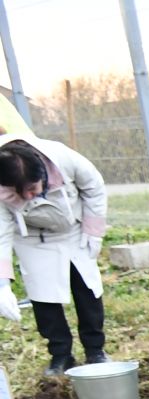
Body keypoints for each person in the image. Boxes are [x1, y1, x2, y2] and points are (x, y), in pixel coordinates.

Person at [0, 136, 108, 377]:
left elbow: (94, 188)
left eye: (31, 189)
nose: (28, 197)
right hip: (32, 240)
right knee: (44, 298)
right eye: (19, 193)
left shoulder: (62, 157)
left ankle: (95, 350)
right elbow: (1, 232)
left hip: (74, 231)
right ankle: (61, 355)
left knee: (87, 290)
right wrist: (2, 284)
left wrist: (94, 231)